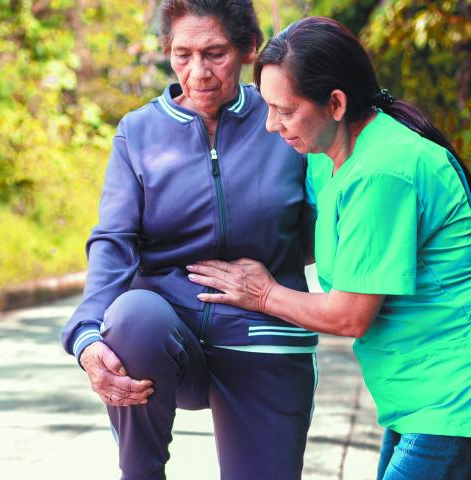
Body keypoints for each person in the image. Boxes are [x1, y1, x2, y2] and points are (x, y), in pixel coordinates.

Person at [187, 16, 471, 480]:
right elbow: (325, 239)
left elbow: (350, 314)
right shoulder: (330, 156)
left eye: (284, 110)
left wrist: (263, 294)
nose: (270, 125)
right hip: (419, 384)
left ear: (336, 103)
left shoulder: (383, 171)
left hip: (457, 386)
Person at [60, 2, 318, 479]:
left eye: (215, 53)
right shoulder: (138, 133)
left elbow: (326, 226)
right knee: (132, 314)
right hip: (164, 333)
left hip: (263, 335)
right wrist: (86, 336)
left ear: (248, 50)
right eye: (183, 54)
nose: (197, 73)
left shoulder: (284, 118)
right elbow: (113, 241)